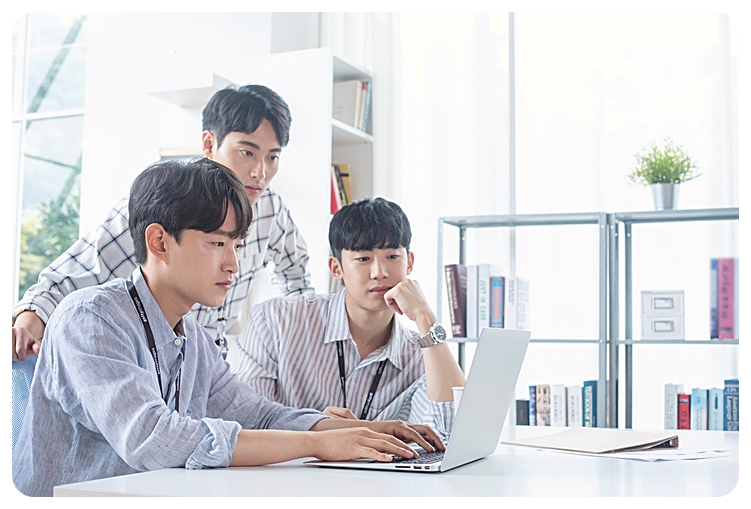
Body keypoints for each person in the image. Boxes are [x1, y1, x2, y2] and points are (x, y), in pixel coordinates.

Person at [12, 159, 444, 497]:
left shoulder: (193, 336)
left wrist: (360, 432)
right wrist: (317, 445)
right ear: (159, 242)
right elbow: (154, 439)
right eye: (218, 243)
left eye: (236, 245)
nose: (234, 264)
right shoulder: (91, 318)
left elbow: (259, 414)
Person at [12, 84, 312, 361]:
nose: (260, 172)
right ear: (209, 143)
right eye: (247, 152)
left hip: (209, 367)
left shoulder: (270, 208)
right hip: (145, 366)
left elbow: (296, 277)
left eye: (272, 158)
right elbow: (71, 277)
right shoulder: (166, 203)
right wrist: (27, 325)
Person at [226, 198, 466, 442]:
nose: (379, 272)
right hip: (287, 467)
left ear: (410, 263)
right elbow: (241, 421)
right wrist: (318, 427)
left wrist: (426, 317)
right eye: (363, 259)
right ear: (336, 268)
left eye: (392, 256)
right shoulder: (275, 321)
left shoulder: (422, 353)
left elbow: (455, 431)